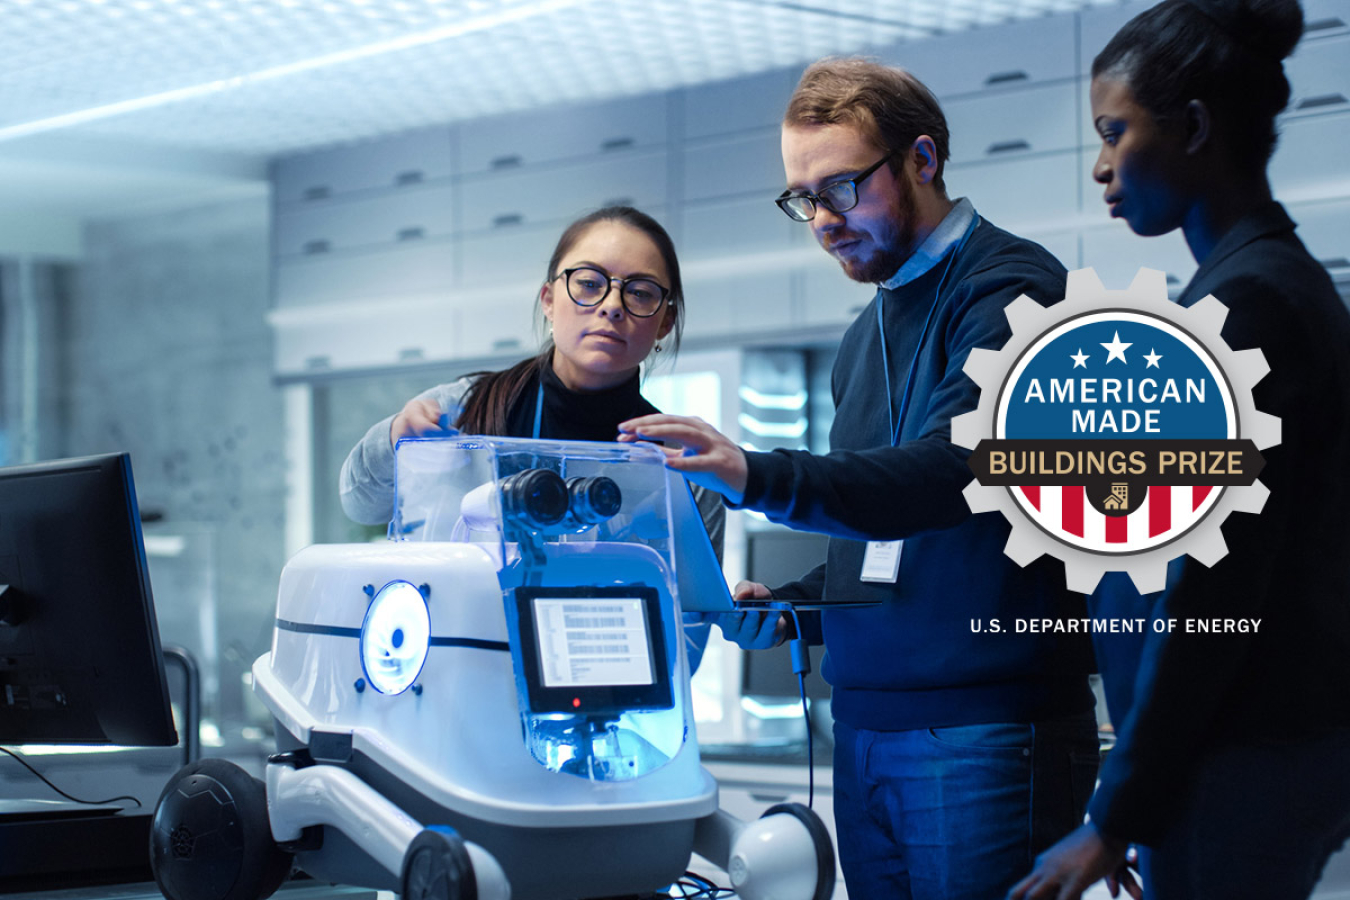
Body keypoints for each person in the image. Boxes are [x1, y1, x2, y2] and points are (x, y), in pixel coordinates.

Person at [620, 58, 1099, 900]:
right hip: (867, 728)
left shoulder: (1014, 293)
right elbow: (891, 540)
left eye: (841, 187)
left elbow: (953, 475)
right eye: (803, 198)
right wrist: (798, 607)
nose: (822, 220)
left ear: (922, 159)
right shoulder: (860, 341)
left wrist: (752, 473)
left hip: (986, 731)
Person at [1009, 1, 1350, 898]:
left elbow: (1211, 590)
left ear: (1194, 127)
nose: (1100, 167)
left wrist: (1119, 816)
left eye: (1115, 133)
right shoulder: (1263, 287)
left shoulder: (1251, 310)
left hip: (1236, 763)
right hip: (1245, 760)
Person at [340, 205, 725, 670]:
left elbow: (685, 645)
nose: (611, 306)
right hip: (450, 681)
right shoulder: (467, 407)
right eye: (588, 283)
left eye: (640, 293)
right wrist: (397, 440)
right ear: (548, 299)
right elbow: (359, 503)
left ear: (664, 322)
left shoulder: (679, 466)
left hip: (597, 711)